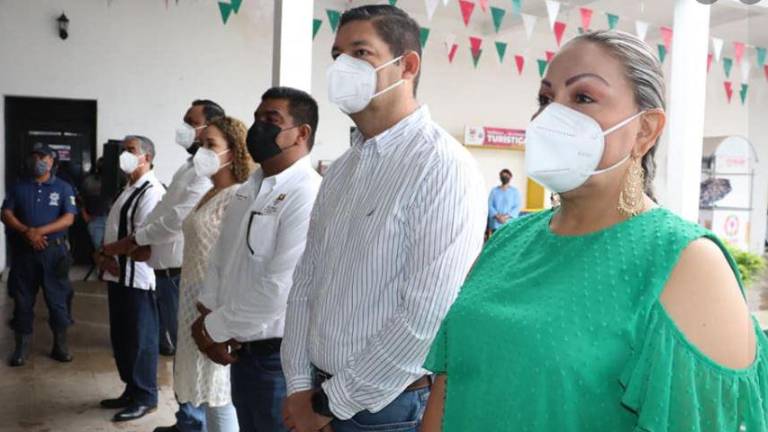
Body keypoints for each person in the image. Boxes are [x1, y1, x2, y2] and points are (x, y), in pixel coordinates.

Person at [421, 30, 768, 431]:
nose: (550, 117)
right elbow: (448, 386)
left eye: (583, 98)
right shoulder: (507, 242)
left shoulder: (685, 260)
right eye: (546, 100)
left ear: (646, 130)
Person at [281, 6, 486, 432]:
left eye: (360, 53)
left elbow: (427, 316)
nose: (342, 67)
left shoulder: (442, 165)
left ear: (407, 65)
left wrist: (326, 405)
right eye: (338, 54)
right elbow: (305, 283)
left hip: (382, 408)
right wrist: (300, 385)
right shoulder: (341, 170)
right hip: (317, 393)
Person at [191, 87, 322, 432]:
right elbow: (224, 255)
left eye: (271, 120)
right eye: (257, 118)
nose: (258, 127)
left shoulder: (307, 193)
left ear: (301, 133)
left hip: (277, 358)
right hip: (240, 347)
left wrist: (214, 329)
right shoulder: (251, 185)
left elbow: (280, 287)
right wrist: (208, 310)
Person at [103, 99, 223, 432]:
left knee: (188, 353)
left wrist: (132, 243)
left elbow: (175, 218)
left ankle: (193, 422)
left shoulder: (206, 170)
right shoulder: (188, 167)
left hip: (182, 273)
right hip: (163, 271)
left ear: (212, 126)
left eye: (191, 120)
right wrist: (143, 245)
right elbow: (163, 213)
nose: (184, 126)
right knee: (180, 352)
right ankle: (185, 419)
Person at [170, 116, 252, 432]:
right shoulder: (210, 191)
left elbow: (235, 259)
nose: (203, 151)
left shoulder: (238, 196)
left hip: (213, 304)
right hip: (193, 296)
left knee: (219, 392)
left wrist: (218, 312)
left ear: (233, 152)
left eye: (212, 145)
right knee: (204, 390)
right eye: (202, 144)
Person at [95, 135, 164, 423]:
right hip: (118, 276)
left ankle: (146, 396)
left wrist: (108, 251)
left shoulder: (151, 190)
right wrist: (104, 256)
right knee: (122, 338)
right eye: (123, 150)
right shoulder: (128, 188)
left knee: (141, 339)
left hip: (138, 278)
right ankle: (131, 389)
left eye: (131, 150)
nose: (125, 154)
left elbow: (141, 238)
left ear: (146, 157)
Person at [1, 143, 77, 366]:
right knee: (23, 301)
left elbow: (68, 218)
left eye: (42, 157)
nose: (38, 161)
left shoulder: (64, 187)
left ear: (52, 161)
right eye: (34, 156)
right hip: (25, 253)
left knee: (58, 301)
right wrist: (27, 232)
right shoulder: (18, 187)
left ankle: (60, 346)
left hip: (54, 253)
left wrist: (38, 232)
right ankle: (21, 349)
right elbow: (6, 213)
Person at [80, 157, 109, 249]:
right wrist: (84, 214)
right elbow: (80, 199)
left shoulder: (118, 180)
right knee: (99, 249)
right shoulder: (89, 181)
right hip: (95, 219)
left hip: (113, 219)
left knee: (113, 250)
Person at [487, 168, 521, 233]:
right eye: (503, 176)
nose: (504, 177)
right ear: (500, 177)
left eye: (506, 176)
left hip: (509, 223)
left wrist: (506, 217)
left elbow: (517, 206)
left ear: (510, 177)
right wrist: (498, 217)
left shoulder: (514, 191)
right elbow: (489, 205)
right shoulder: (494, 191)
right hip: (496, 224)